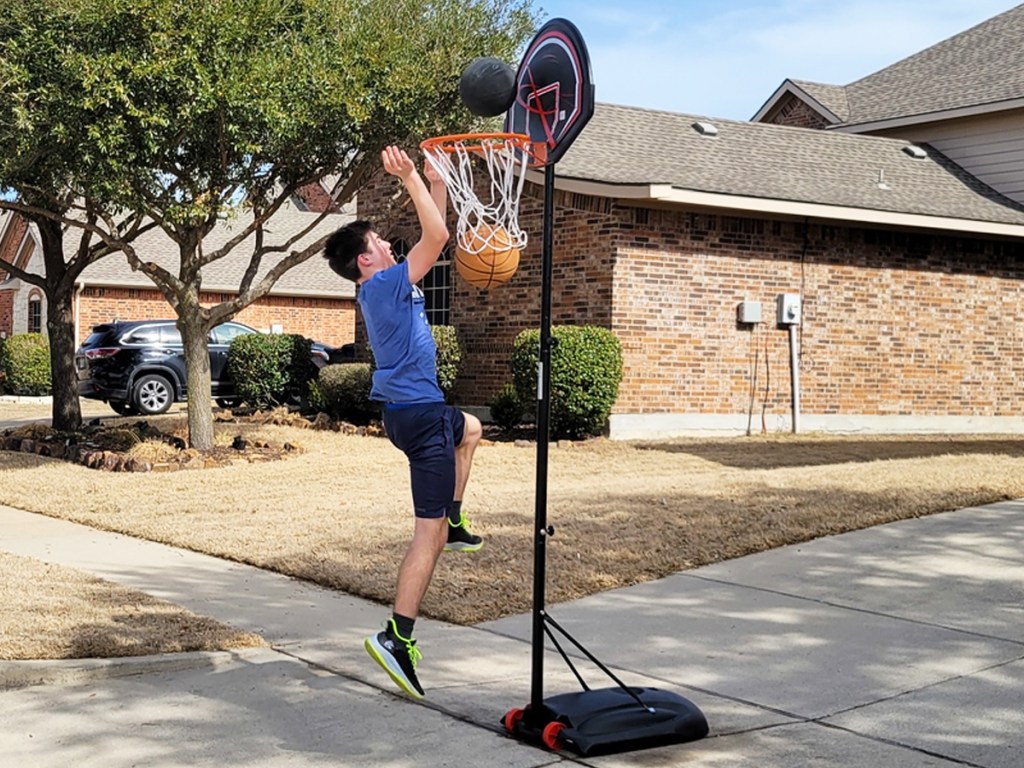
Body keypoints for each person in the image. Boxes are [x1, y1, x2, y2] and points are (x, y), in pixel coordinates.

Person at [323, 145, 483, 699]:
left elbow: (431, 234)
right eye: (378, 244)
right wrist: (413, 177)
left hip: (411, 414)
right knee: (425, 535)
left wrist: (436, 183)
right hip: (420, 416)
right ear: (366, 260)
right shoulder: (386, 286)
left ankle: (455, 520)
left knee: (473, 430)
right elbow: (435, 240)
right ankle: (398, 634)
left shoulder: (386, 286)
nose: (388, 245)